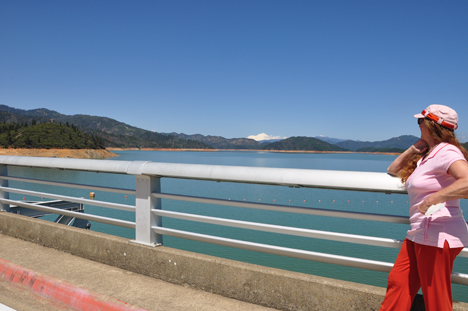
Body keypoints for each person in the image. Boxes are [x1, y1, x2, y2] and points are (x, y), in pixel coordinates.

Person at [380, 104, 468, 311]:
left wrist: (434, 198)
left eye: (420, 121)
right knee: (398, 283)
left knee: (436, 298)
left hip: (438, 233)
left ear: (430, 124)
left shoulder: (447, 152)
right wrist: (414, 148)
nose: (418, 125)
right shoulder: (429, 154)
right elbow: (393, 170)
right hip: (419, 232)